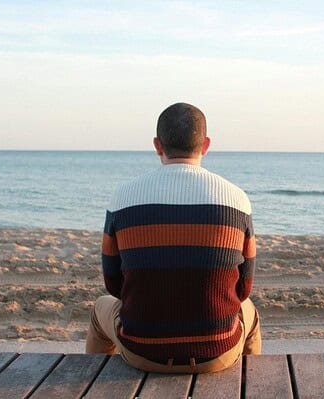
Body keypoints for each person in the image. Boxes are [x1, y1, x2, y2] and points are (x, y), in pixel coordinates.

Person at [86, 102, 261, 373]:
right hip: (216, 353)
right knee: (250, 310)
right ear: (205, 145)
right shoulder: (237, 200)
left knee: (101, 309)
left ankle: (95, 382)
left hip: (141, 350)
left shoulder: (123, 197)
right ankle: (249, 383)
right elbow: (243, 289)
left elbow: (114, 285)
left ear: (158, 145)